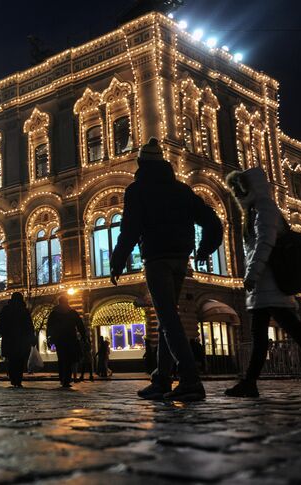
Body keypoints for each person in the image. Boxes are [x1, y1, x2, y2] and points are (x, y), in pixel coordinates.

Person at [110, 137, 223, 402]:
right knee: (165, 320)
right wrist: (206, 248)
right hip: (180, 259)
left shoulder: (137, 190)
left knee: (168, 320)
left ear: (141, 164)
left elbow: (129, 230)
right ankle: (161, 380)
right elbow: (212, 221)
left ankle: (190, 380)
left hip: (157, 259)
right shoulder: (181, 190)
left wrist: (117, 261)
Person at [224, 168, 301, 397]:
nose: (236, 193)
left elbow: (265, 242)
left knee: (293, 331)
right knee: (264, 335)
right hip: (265, 283)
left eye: (238, 188)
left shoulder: (263, 207)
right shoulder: (254, 209)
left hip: (271, 282)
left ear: (249, 187)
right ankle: (250, 383)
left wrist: (252, 273)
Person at [0, 292, 35, 388]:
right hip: (22, 340)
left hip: (9, 339)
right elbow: (29, 326)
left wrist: (0, 333)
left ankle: (13, 379)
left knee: (12, 359)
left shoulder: (6, 309)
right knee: (20, 361)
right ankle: (18, 379)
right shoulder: (24, 310)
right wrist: (31, 338)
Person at [47, 295, 87, 388]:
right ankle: (66, 380)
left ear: (59, 302)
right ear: (67, 302)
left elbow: (49, 327)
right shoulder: (72, 312)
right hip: (70, 339)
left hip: (59, 340)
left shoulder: (54, 313)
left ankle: (62, 379)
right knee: (69, 360)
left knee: (61, 359)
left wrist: (49, 338)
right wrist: (84, 337)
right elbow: (80, 325)